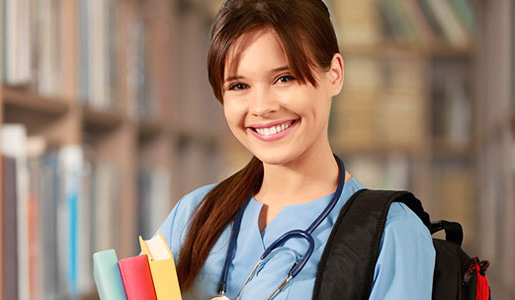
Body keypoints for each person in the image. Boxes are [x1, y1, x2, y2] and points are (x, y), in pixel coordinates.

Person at [156, 0, 436, 299]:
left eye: (284, 78)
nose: (262, 107)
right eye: (239, 86)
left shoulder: (393, 232)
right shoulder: (191, 216)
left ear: (335, 74)